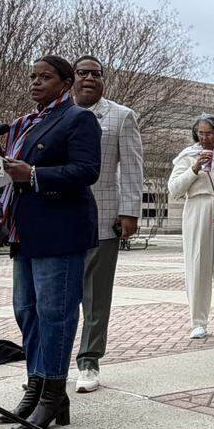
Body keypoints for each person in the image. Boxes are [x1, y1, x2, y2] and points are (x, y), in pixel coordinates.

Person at [0, 55, 101, 429]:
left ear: (65, 82)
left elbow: (87, 170)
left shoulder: (78, 119)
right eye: (33, 77)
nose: (36, 83)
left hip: (61, 230)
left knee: (55, 313)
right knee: (26, 310)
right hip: (26, 230)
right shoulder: (27, 123)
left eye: (45, 77)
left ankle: (53, 391)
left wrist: (35, 174)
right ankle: (36, 384)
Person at [70, 55, 144, 394]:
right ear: (71, 78)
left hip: (102, 218)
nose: (89, 79)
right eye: (82, 73)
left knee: (96, 297)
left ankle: (88, 359)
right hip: (58, 220)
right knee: (58, 295)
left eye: (95, 74)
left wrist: (129, 212)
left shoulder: (120, 116)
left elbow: (130, 169)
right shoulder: (58, 113)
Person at [168, 115, 214, 339]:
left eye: (209, 133)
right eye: (201, 133)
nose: (205, 137)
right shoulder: (188, 156)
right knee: (197, 265)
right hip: (197, 208)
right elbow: (175, 188)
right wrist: (195, 168)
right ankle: (198, 321)